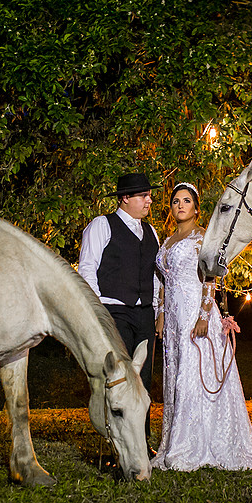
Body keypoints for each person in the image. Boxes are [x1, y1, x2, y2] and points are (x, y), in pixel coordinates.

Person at [151, 182, 252, 471]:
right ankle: (175, 441)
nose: (180, 206)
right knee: (176, 374)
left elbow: (210, 279)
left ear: (197, 208)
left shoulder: (202, 238)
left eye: (186, 201)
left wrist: (203, 315)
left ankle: (196, 443)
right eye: (176, 201)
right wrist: (160, 313)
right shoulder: (167, 241)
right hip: (173, 318)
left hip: (197, 315)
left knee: (196, 374)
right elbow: (163, 280)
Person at [78, 172, 161, 454]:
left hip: (144, 313)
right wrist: (97, 311)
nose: (149, 200)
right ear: (125, 198)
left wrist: (157, 309)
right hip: (114, 311)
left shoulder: (151, 232)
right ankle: (115, 448)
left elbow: (154, 276)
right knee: (117, 382)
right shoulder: (102, 225)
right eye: (142, 195)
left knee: (143, 380)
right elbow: (87, 268)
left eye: (149, 195)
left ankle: (143, 443)